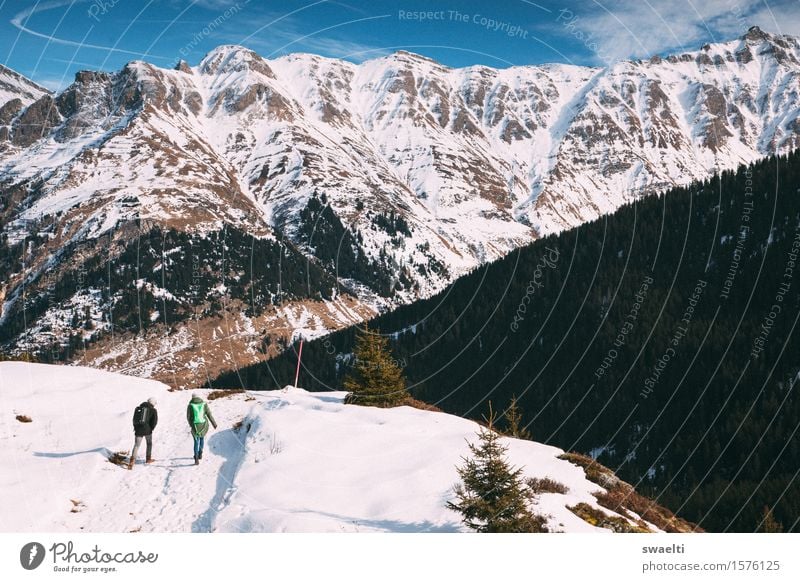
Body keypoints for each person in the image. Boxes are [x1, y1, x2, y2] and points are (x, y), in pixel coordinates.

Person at [187, 392, 217, 465]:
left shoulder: (190, 405)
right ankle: (200, 453)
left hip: (195, 425)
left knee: (196, 441)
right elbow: (209, 414)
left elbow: (188, 417)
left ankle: (196, 458)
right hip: (203, 425)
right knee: (202, 439)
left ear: (192, 397)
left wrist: (191, 424)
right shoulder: (204, 404)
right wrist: (214, 423)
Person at [129, 397, 158, 470]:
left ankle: (132, 461)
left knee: (136, 445)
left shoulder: (139, 408)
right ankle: (148, 459)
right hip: (147, 430)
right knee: (149, 443)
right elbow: (154, 422)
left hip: (138, 429)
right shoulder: (153, 410)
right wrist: (151, 428)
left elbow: (134, 419)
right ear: (153, 403)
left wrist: (136, 427)